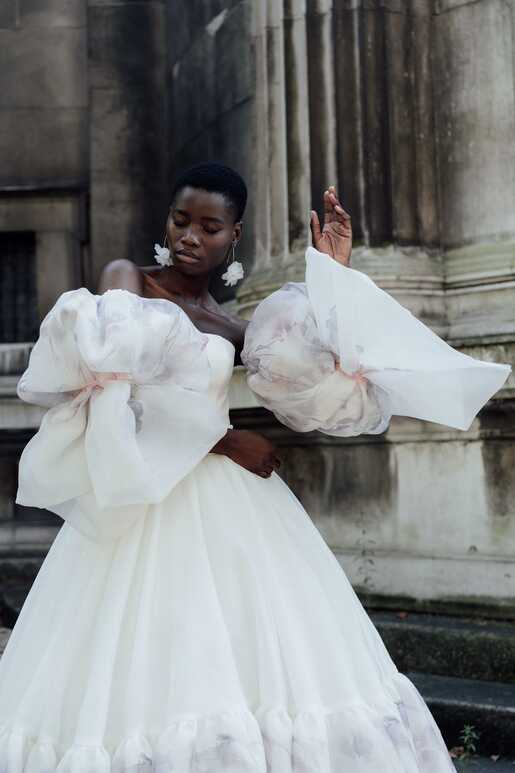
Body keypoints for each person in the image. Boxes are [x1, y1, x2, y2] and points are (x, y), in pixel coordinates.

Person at [0, 162, 510, 772]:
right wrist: (224, 440)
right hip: (142, 502)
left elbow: (326, 376)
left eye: (210, 226)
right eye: (180, 220)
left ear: (234, 236)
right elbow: (114, 401)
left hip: (231, 508)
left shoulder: (237, 327)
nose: (190, 236)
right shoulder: (126, 282)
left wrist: (333, 274)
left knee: (257, 659)